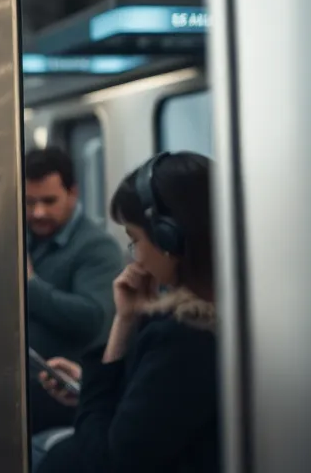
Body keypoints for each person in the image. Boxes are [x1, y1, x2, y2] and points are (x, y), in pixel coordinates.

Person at [36, 151, 220, 473]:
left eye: (134, 239)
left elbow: (109, 461)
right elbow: (150, 415)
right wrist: (126, 318)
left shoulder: (185, 337)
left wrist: (96, 396)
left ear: (169, 238)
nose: (135, 259)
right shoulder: (210, 323)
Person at [24, 147, 124, 435]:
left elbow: (93, 318)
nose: (39, 212)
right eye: (30, 202)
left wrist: (29, 285)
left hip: (64, 402)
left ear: (73, 192)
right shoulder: (24, 236)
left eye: (49, 201)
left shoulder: (96, 247)